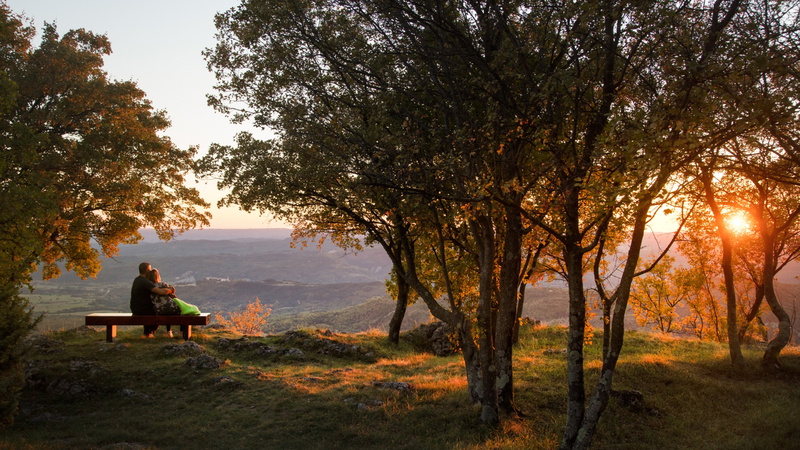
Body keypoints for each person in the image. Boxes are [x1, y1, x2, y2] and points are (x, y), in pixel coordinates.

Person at [130, 262, 175, 338]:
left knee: (154, 310)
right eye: (150, 269)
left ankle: (148, 333)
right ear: (147, 270)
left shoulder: (137, 280)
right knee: (162, 310)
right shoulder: (145, 282)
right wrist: (171, 290)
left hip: (135, 309)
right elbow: (160, 291)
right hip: (143, 310)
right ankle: (151, 333)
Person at [146, 268, 181, 337]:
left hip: (158, 310)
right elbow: (173, 296)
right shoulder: (163, 284)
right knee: (179, 311)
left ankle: (150, 332)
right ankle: (175, 331)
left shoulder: (149, 287)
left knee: (166, 310)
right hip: (171, 308)